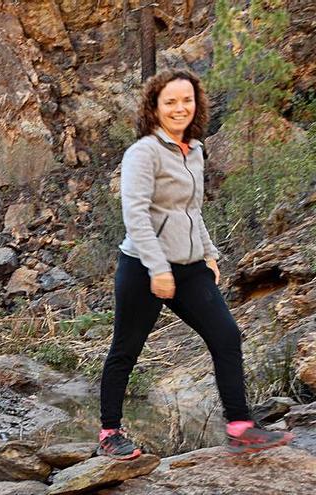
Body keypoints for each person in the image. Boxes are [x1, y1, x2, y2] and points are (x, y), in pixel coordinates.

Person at [98, 69, 293, 459]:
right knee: (126, 349)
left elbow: (191, 210)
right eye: (170, 101)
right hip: (143, 267)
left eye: (186, 100)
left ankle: (240, 427)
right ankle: (109, 434)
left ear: (196, 103)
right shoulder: (143, 152)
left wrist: (208, 254)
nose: (179, 108)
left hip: (189, 268)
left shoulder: (195, 150)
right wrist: (158, 268)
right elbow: (135, 215)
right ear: (154, 107)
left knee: (226, 336)